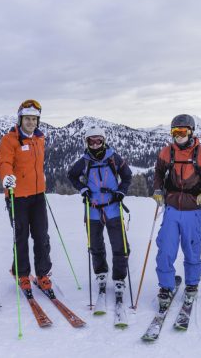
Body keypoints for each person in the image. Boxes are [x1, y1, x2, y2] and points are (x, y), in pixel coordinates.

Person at [152, 114, 201, 304]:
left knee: (192, 248)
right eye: (174, 132)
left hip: (193, 208)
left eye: (182, 132)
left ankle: (192, 283)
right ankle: (166, 286)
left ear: (191, 131)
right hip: (172, 208)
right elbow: (159, 171)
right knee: (166, 249)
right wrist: (158, 190)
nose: (178, 136)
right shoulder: (167, 152)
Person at [67, 126, 132, 302]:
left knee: (120, 246)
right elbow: (71, 176)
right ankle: (101, 273)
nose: (95, 144)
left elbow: (127, 176)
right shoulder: (84, 161)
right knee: (95, 245)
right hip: (93, 208)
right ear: (86, 142)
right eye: (91, 141)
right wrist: (83, 188)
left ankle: (119, 278)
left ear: (104, 141)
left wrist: (121, 191)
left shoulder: (113, 158)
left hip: (113, 207)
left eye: (98, 141)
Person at [0, 99, 52, 291]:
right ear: (20, 119)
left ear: (38, 120)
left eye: (34, 119)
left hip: (38, 195)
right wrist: (6, 178)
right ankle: (21, 273)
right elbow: (4, 163)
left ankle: (43, 273)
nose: (30, 122)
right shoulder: (9, 140)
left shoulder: (39, 139)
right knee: (21, 236)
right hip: (17, 196)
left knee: (42, 235)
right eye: (27, 119)